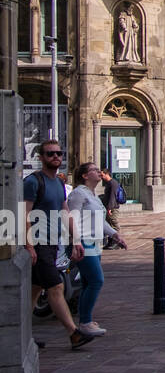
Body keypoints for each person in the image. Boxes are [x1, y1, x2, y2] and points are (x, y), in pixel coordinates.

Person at [24, 140, 94, 349]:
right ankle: (74, 334)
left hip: (53, 243)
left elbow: (65, 212)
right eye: (50, 154)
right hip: (38, 243)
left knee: (34, 292)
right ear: (41, 158)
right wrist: (28, 246)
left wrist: (76, 240)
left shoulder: (59, 184)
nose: (55, 157)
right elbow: (24, 215)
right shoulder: (33, 182)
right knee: (56, 286)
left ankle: (21, 338)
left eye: (58, 153)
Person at [67, 162, 126, 337]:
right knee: (96, 280)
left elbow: (100, 222)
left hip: (95, 242)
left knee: (87, 282)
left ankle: (86, 318)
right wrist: (76, 242)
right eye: (94, 170)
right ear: (85, 175)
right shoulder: (78, 194)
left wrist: (115, 235)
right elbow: (72, 218)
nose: (99, 172)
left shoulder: (92, 195)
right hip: (83, 241)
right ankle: (84, 322)